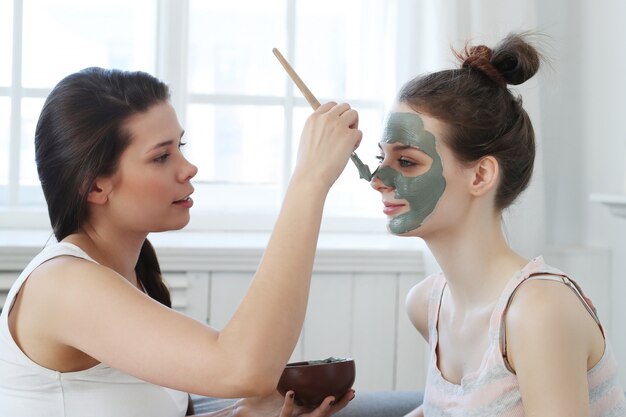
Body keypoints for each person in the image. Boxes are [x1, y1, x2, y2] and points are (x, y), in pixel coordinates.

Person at [0, 67, 361, 417]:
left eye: (180, 145)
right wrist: (310, 180)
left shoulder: (124, 278)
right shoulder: (64, 285)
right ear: (95, 186)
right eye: (161, 156)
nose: (188, 168)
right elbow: (242, 368)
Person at [370, 33, 626, 416]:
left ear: (480, 176)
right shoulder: (427, 304)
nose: (377, 178)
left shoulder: (538, 312)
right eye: (381, 158)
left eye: (406, 162)